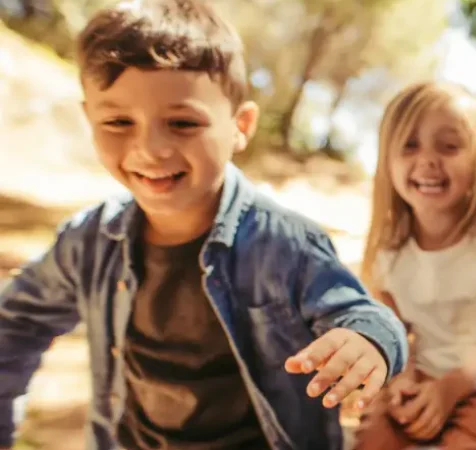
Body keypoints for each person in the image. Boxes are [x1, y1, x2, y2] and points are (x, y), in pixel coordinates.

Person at [0, 1, 407, 449]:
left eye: (182, 123)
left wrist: (367, 342)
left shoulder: (284, 243)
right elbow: (15, 324)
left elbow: (365, 315)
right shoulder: (90, 241)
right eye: (118, 121)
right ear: (89, 120)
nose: (150, 148)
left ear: (240, 126)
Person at [354, 81, 476, 449]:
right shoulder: (390, 251)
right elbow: (391, 333)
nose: (427, 160)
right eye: (409, 145)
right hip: (419, 379)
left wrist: (452, 388)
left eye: (449, 146)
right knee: (371, 437)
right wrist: (402, 380)